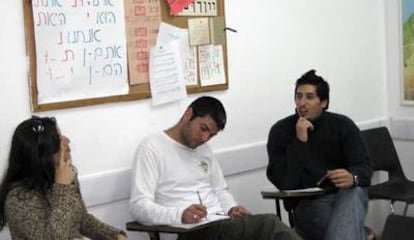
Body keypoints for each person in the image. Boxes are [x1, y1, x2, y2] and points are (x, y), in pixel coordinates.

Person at [129, 96, 302, 240]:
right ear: (188, 114)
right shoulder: (152, 147)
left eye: (211, 135)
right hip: (188, 231)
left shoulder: (203, 150)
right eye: (203, 129)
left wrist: (231, 208)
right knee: (268, 225)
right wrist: (179, 214)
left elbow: (220, 190)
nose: (204, 138)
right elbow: (138, 206)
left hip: (219, 224)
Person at [266, 70, 373, 240]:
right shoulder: (281, 131)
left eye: (309, 97)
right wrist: (300, 140)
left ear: (323, 102)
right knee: (351, 230)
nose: (302, 103)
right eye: (299, 96)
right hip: (309, 204)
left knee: (354, 192)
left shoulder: (343, 125)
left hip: (344, 196)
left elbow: (365, 167)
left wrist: (353, 177)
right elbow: (285, 182)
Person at [0, 116, 128, 240]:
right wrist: (62, 189)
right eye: (58, 139)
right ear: (41, 156)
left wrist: (114, 236)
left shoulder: (61, 176)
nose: (67, 141)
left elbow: (81, 219)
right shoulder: (17, 200)